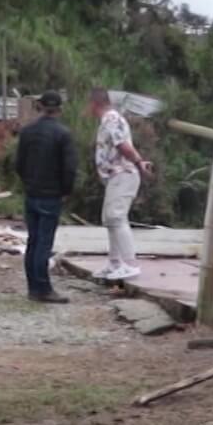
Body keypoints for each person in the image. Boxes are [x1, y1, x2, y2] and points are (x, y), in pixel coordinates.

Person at [13, 91, 76, 304]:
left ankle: (33, 287)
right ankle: (43, 289)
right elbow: (69, 168)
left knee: (33, 240)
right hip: (51, 195)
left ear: (39, 106)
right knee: (44, 243)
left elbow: (19, 164)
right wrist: (66, 190)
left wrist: (29, 183)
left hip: (32, 193)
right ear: (59, 109)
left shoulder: (27, 132)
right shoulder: (63, 134)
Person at [90, 88, 153, 282]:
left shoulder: (111, 118)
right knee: (110, 219)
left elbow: (122, 145)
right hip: (114, 176)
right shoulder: (109, 119)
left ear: (94, 104)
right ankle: (115, 263)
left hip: (123, 173)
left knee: (116, 217)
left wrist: (139, 162)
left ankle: (130, 264)